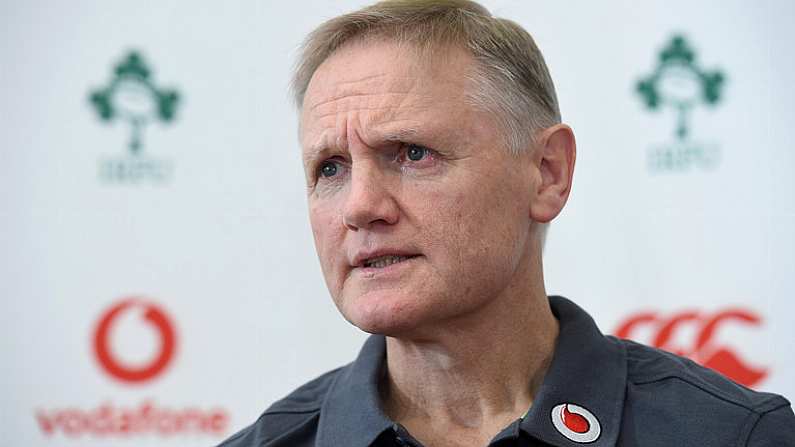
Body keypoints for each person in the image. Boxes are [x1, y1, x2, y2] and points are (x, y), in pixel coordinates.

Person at [219, 1, 795, 446]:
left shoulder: (735, 435)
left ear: (547, 173)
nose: (360, 206)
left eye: (412, 153)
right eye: (331, 168)